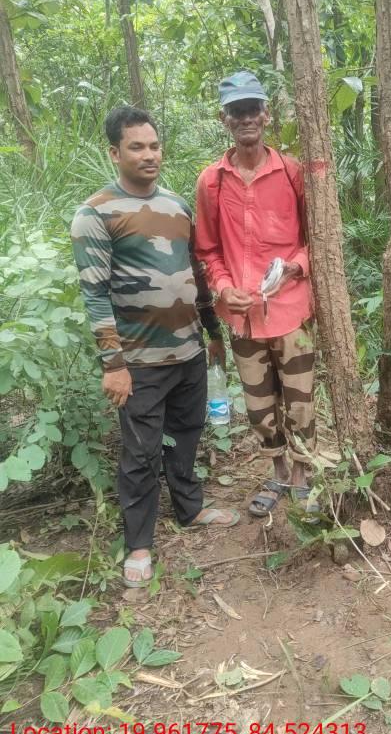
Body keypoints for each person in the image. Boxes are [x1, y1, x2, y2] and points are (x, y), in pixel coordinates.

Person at [71, 106, 238, 589]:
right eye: (137, 147)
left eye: (154, 145)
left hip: (187, 351)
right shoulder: (96, 213)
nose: (149, 155)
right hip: (139, 361)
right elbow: (95, 295)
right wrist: (113, 364)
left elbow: (196, 275)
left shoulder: (177, 206)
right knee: (141, 453)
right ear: (115, 153)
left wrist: (212, 333)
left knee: (187, 434)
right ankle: (139, 544)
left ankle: (190, 508)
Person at [195, 71, 318, 518]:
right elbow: (207, 249)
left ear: (266, 115)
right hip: (243, 316)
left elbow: (316, 236)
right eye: (237, 111)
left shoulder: (292, 172)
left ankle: (303, 472)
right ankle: (278, 472)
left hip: (291, 309)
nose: (246, 118)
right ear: (224, 118)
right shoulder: (212, 181)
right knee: (259, 403)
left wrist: (295, 267)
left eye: (253, 109)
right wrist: (224, 287)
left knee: (300, 399)